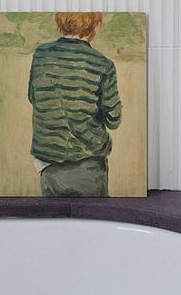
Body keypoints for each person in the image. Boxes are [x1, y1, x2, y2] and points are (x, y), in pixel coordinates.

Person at [27, 11, 122, 197]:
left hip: (48, 159)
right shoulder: (103, 64)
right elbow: (114, 119)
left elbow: (33, 97)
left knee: (54, 213)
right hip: (89, 160)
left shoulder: (41, 55)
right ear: (95, 24)